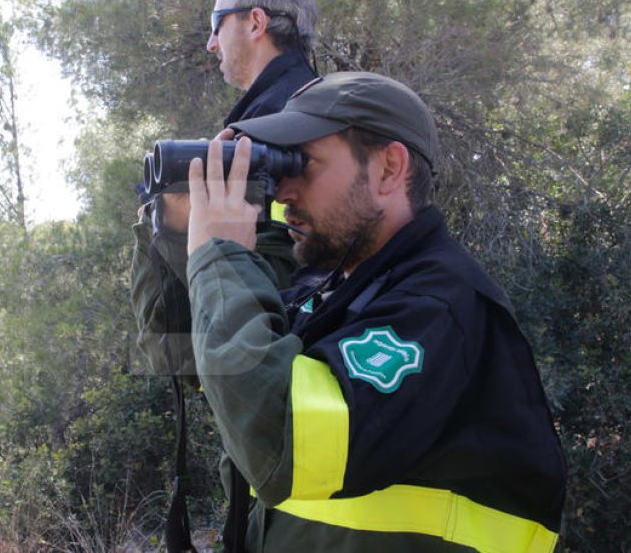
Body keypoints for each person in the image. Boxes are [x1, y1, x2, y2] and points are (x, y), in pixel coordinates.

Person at [181, 72, 567, 552]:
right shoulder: (333, 289)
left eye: (303, 162)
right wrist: (176, 233)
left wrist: (220, 260)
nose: (282, 191)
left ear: (388, 169)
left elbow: (282, 440)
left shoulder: (438, 304)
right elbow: (192, 357)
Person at [132, 0, 320, 376]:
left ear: (256, 22)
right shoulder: (325, 113)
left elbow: (179, 349)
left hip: (274, 381)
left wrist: (175, 224)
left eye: (217, 23)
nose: (211, 43)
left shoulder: (262, 140)